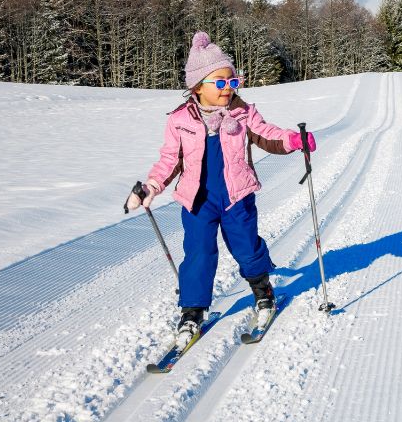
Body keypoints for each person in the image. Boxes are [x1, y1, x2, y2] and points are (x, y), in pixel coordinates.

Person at [125, 31, 315, 344]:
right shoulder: (179, 120)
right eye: (221, 83)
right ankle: (192, 311)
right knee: (198, 253)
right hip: (198, 201)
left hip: (236, 196)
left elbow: (266, 134)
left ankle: (263, 292)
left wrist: (294, 140)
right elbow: (169, 160)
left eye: (233, 81)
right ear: (198, 86)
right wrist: (150, 188)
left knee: (246, 246)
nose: (229, 88)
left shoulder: (243, 112)